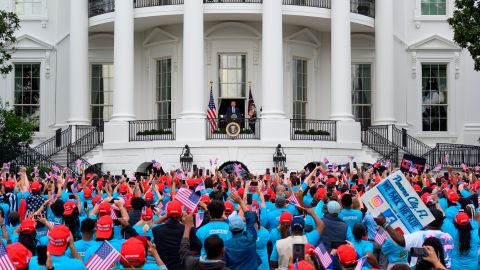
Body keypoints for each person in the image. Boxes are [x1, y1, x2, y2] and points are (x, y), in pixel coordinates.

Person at [375, 208, 454, 268]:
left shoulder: (420, 235)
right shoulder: (449, 237)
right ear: (442, 222)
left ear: (428, 221)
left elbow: (401, 240)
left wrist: (384, 224)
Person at [153, 200, 201, 270]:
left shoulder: (157, 230)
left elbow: (150, 225)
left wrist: (166, 215)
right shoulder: (187, 229)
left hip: (164, 266)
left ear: (167, 214)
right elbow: (198, 246)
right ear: (181, 214)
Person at [224, 192, 259, 269]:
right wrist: (241, 203)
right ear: (243, 227)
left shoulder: (226, 245)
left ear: (230, 229)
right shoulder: (250, 238)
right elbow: (251, 220)